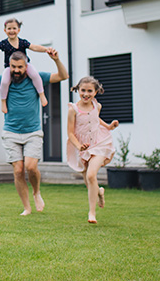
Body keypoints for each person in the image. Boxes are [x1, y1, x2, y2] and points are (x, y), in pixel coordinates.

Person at [0, 47, 68, 215]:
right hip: (11, 131)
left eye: (20, 67)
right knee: (18, 170)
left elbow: (63, 76)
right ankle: (26, 207)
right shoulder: (4, 80)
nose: (16, 71)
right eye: (13, 67)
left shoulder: (37, 78)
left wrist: (56, 60)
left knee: (31, 167)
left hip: (33, 131)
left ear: (26, 66)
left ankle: (36, 192)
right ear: (9, 65)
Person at [66, 76, 118, 224]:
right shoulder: (73, 110)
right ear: (78, 90)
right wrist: (78, 146)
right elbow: (70, 132)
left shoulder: (97, 105)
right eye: (83, 90)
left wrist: (108, 126)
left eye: (90, 91)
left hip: (99, 143)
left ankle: (92, 213)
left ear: (95, 92)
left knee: (91, 175)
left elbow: (96, 119)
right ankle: (99, 191)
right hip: (81, 146)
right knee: (89, 181)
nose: (86, 94)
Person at [0, 18, 52, 114]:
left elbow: (34, 47)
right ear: (5, 30)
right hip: (10, 68)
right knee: (4, 82)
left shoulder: (22, 42)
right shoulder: (3, 43)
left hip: (25, 65)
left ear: (18, 30)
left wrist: (46, 49)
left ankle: (41, 95)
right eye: (9, 29)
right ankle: (3, 101)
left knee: (35, 75)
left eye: (14, 28)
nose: (12, 31)